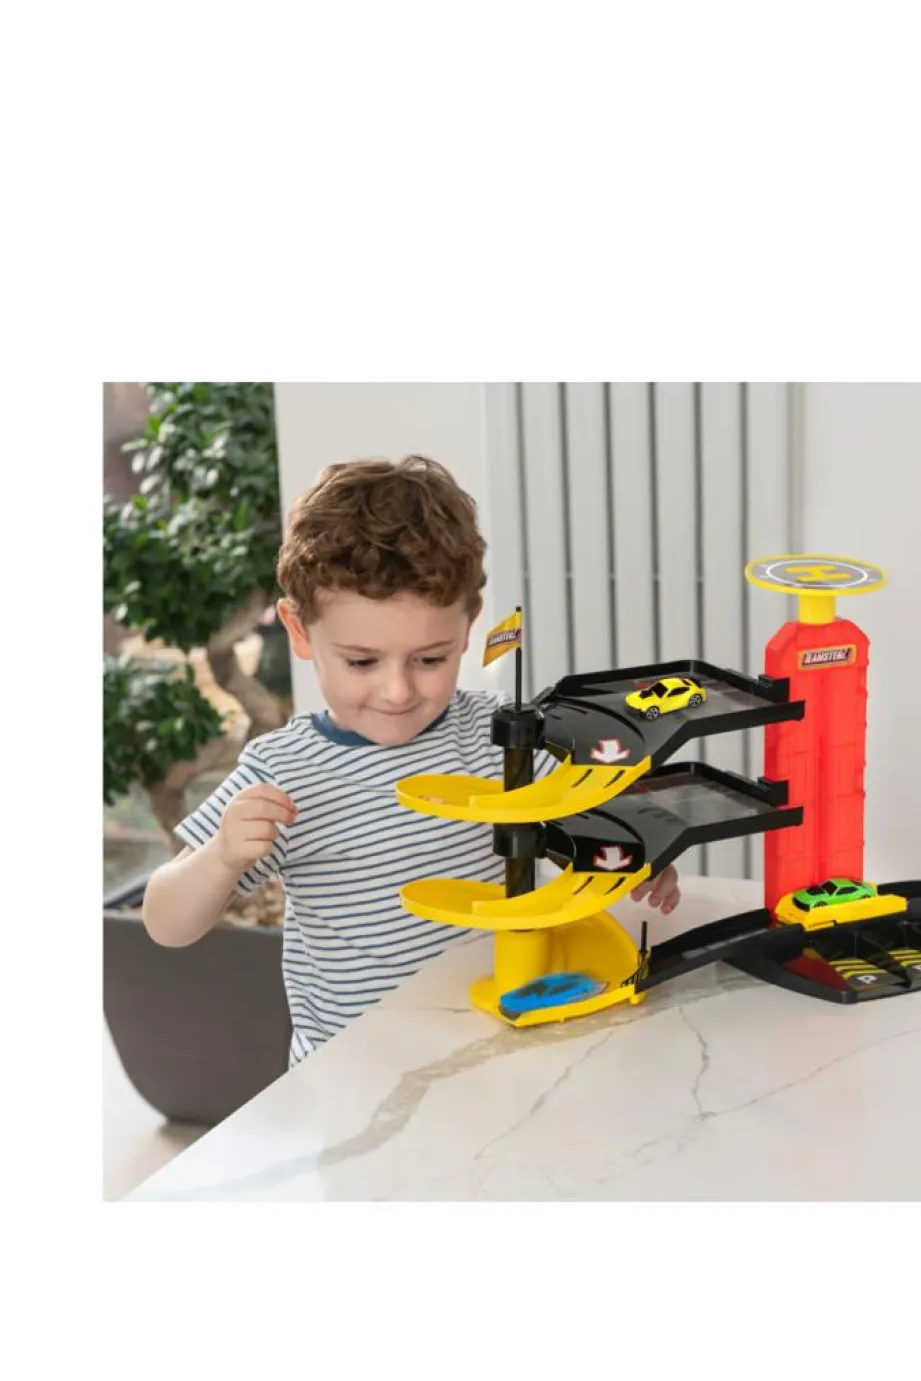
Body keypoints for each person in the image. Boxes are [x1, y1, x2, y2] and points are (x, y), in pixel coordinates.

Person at [142, 455, 680, 1066]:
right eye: (361, 661)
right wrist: (220, 857)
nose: (397, 691)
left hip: (496, 1050)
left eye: (429, 659)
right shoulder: (285, 770)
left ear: (469, 625)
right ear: (298, 630)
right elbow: (166, 922)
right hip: (356, 1077)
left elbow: (587, 820)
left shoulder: (501, 733)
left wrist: (634, 852)